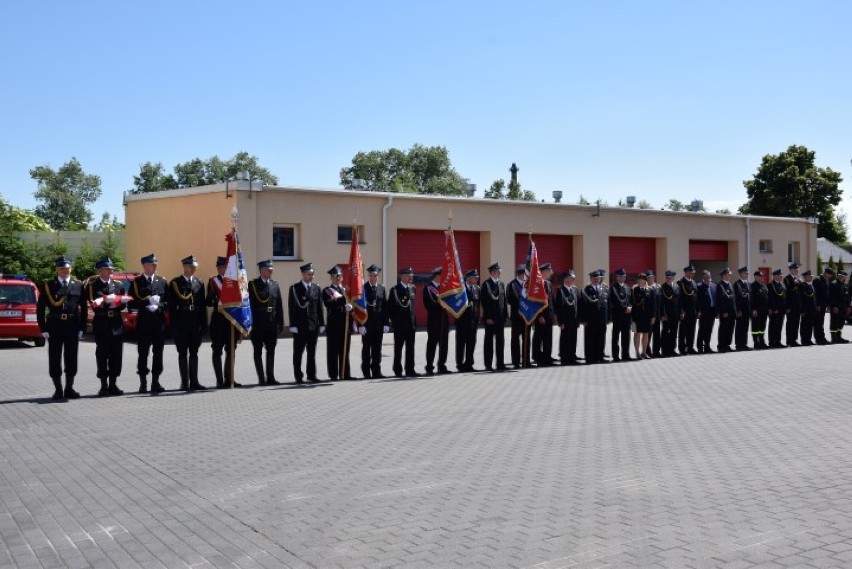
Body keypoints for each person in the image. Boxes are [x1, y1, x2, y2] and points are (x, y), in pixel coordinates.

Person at [37, 256, 86, 400]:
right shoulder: (48, 285)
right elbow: (40, 309)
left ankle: (69, 388)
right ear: (56, 269)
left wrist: (82, 327)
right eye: (61, 268)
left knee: (71, 357)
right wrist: (43, 328)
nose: (64, 271)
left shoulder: (78, 285)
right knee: (54, 357)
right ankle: (58, 389)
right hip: (55, 325)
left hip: (72, 325)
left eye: (67, 268)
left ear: (71, 268)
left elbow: (83, 307)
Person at [84, 258, 128, 396]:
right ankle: (103, 385)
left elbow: (122, 303)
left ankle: (113, 384)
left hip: (116, 323)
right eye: (107, 269)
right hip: (102, 323)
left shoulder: (118, 285)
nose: (110, 272)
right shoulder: (92, 286)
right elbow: (92, 303)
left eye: (111, 270)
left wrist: (120, 303)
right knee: (102, 355)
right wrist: (104, 302)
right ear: (100, 270)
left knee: (116, 355)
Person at [130, 253, 169, 395]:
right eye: (152, 265)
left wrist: (159, 306)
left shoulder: (162, 281)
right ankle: (143, 383)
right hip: (144, 322)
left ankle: (155, 382)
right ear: (145, 266)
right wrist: (145, 303)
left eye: (156, 265)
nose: (155, 267)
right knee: (143, 353)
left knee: (158, 353)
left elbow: (168, 302)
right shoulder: (136, 282)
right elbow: (131, 303)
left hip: (158, 322)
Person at [169, 255, 208, 391]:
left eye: (195, 267)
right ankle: (184, 382)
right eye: (191, 267)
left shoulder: (199, 282)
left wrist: (203, 325)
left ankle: (194, 381)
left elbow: (202, 306)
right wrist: (173, 326)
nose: (193, 269)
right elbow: (172, 307)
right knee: (182, 353)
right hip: (181, 322)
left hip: (195, 322)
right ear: (184, 267)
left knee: (194, 352)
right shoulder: (175, 283)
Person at [206, 256, 241, 389]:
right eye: (220, 268)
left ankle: (229, 378)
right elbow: (208, 302)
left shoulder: (234, 282)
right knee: (217, 350)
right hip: (218, 320)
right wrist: (212, 299)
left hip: (231, 321)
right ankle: (219, 380)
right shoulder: (212, 281)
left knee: (231, 350)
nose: (222, 270)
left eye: (224, 267)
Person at [288, 262, 323, 383]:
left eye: (312, 274)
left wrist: (322, 323)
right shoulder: (295, 288)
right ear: (303, 274)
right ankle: (298, 376)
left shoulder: (316, 288)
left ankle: (311, 375)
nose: (311, 277)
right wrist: (292, 325)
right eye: (309, 274)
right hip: (300, 326)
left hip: (313, 325)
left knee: (311, 352)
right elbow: (292, 308)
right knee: (298, 352)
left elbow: (319, 307)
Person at [250, 259, 284, 385]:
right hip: (258, 323)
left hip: (271, 322)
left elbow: (279, 304)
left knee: (271, 350)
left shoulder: (275, 284)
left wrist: (280, 322)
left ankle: (271, 377)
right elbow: (250, 306)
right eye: (268, 269)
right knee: (258, 350)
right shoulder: (253, 285)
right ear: (261, 270)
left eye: (271, 269)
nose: (270, 271)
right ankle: (261, 378)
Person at [322, 266, 353, 381]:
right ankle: (334, 375)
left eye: (339, 276)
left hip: (346, 325)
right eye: (335, 276)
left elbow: (353, 303)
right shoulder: (327, 290)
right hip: (334, 325)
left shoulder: (346, 290)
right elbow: (329, 304)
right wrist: (343, 306)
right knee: (333, 351)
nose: (337, 278)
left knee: (345, 350)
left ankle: (345, 374)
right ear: (331, 278)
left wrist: (351, 308)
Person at [359, 264, 389, 379]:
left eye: (374, 275)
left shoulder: (382, 289)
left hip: (379, 324)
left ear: (378, 276)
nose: (372, 278)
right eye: (370, 275)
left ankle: (376, 371)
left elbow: (385, 308)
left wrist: (386, 323)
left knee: (377, 349)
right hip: (367, 324)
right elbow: (359, 308)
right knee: (366, 349)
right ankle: (366, 372)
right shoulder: (363, 289)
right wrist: (361, 324)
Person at [388, 267, 417, 377]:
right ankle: (398, 370)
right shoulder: (395, 290)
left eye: (411, 276)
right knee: (398, 348)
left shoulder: (413, 288)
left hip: (411, 324)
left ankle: (410, 369)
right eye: (409, 276)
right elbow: (390, 308)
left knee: (410, 348)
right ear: (402, 276)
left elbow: (412, 307)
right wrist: (394, 321)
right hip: (400, 324)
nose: (411, 278)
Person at [480, 263, 508, 372]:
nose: (498, 273)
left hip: (500, 318)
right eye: (496, 271)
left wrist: (505, 315)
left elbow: (503, 301)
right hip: (490, 318)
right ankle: (488, 364)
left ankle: (500, 363)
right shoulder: (486, 284)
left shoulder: (501, 284)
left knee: (500, 342)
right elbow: (484, 302)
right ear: (492, 272)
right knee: (489, 342)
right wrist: (487, 317)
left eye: (499, 271)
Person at [423, 267, 450, 375]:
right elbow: (429, 304)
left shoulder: (443, 288)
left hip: (444, 320)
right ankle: (429, 366)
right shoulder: (428, 288)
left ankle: (442, 365)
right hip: (434, 321)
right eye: (441, 276)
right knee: (432, 344)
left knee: (444, 344)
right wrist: (440, 303)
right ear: (436, 276)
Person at [581, 269, 609, 364]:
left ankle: (600, 357)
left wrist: (608, 318)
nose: (596, 280)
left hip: (602, 319)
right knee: (590, 339)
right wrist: (584, 319)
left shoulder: (604, 289)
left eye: (598, 278)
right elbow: (583, 305)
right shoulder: (587, 290)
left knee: (601, 338)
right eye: (594, 278)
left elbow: (607, 304)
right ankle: (590, 358)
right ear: (591, 279)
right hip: (591, 319)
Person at [455, 268, 480, 372]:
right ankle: (460, 364)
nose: (476, 279)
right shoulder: (460, 288)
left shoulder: (477, 288)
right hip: (462, 320)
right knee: (461, 343)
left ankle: (469, 363)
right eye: (475, 278)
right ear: (469, 278)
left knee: (471, 343)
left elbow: (477, 304)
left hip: (473, 321)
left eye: (477, 277)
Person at [532, 263, 556, 366]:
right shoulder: (537, 284)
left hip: (549, 316)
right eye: (548, 271)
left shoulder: (548, 283)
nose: (550, 273)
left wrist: (554, 313)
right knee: (539, 338)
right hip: (540, 316)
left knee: (548, 338)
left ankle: (547, 357)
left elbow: (552, 300)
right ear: (542, 272)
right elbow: (535, 301)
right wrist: (540, 315)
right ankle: (538, 358)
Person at [554, 270, 580, 365]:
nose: (571, 280)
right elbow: (559, 308)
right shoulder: (560, 291)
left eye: (572, 279)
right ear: (565, 279)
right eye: (569, 278)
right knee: (565, 340)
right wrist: (561, 322)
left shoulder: (574, 290)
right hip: (565, 321)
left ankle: (572, 358)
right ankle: (564, 359)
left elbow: (577, 306)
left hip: (573, 320)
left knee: (573, 340)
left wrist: (578, 320)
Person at [506, 265, 529, 368]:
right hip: (516, 316)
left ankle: (526, 361)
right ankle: (516, 362)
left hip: (527, 316)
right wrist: (521, 301)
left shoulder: (528, 285)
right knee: (515, 340)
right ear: (520, 274)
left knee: (527, 339)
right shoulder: (512, 285)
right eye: (524, 274)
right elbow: (509, 299)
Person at [609, 268, 632, 361]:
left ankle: (625, 355)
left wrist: (630, 307)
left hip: (627, 316)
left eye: (624, 276)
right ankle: (616, 356)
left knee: (626, 336)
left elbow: (630, 300)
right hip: (618, 315)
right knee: (616, 337)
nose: (622, 278)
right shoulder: (613, 288)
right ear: (617, 277)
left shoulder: (627, 287)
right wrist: (624, 308)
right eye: (620, 276)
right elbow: (616, 301)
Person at [631, 273, 655, 360]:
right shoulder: (634, 290)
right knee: (637, 333)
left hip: (647, 316)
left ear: (645, 280)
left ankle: (644, 352)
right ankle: (637, 353)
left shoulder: (650, 290)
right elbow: (632, 304)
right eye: (639, 279)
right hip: (637, 316)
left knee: (646, 334)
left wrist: (653, 316)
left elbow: (653, 304)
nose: (639, 281)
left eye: (641, 279)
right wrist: (632, 318)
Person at [677, 265, 699, 355]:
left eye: (693, 272)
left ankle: (690, 347)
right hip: (685, 311)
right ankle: (682, 348)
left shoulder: (693, 282)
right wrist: (681, 311)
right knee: (683, 330)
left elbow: (696, 297)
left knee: (692, 329)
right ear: (686, 273)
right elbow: (679, 299)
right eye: (690, 272)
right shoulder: (680, 283)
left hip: (693, 310)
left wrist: (698, 310)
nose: (692, 274)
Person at [659, 270, 680, 357]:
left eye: (670, 278)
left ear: (673, 278)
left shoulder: (676, 287)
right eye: (667, 277)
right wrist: (663, 314)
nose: (668, 279)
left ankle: (672, 349)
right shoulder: (662, 287)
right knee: (665, 332)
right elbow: (661, 303)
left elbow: (679, 301)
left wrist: (681, 312)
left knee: (674, 332)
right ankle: (664, 350)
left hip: (675, 314)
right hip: (666, 315)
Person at [715, 268, 736, 352]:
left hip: (732, 312)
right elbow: (720, 300)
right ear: (724, 275)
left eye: (730, 274)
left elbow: (734, 299)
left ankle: (727, 345)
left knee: (730, 329)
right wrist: (723, 311)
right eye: (728, 274)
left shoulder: (730, 284)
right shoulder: (720, 285)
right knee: (723, 329)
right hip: (725, 312)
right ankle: (721, 345)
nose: (730, 276)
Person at [696, 270, 717, 354]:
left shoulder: (714, 286)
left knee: (709, 330)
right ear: (703, 277)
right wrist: (698, 311)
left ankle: (707, 346)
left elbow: (716, 299)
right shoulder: (699, 286)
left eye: (709, 276)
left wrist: (717, 311)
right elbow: (697, 301)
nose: (708, 278)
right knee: (702, 330)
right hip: (703, 312)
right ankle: (700, 347)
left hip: (712, 311)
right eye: (706, 276)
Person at [812, 267, 833, 345]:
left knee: (821, 322)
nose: (830, 276)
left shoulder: (826, 281)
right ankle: (818, 339)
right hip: (818, 305)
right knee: (817, 322)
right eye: (830, 274)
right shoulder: (817, 280)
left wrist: (828, 305)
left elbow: (827, 294)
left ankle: (822, 337)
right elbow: (815, 294)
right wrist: (817, 304)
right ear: (826, 273)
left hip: (823, 305)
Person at [733, 267, 752, 351]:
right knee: (739, 328)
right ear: (741, 274)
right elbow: (736, 299)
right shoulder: (737, 284)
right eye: (745, 273)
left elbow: (750, 297)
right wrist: (738, 310)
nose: (747, 274)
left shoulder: (748, 284)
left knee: (745, 328)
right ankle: (738, 345)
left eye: (747, 273)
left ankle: (744, 344)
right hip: (741, 310)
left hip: (747, 310)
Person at [767, 269, 787, 348]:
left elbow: (785, 297)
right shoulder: (770, 285)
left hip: (782, 309)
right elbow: (770, 298)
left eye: (781, 275)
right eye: (780, 275)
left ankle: (778, 341)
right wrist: (773, 308)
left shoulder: (783, 284)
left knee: (779, 326)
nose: (781, 277)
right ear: (775, 276)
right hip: (775, 310)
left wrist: (785, 307)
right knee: (773, 326)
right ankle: (772, 342)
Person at [750, 270, 769, 349]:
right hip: (756, 311)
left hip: (764, 311)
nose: (761, 277)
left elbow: (767, 298)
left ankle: (762, 341)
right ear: (755, 277)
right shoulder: (752, 286)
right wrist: (753, 309)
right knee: (755, 327)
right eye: (760, 276)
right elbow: (751, 299)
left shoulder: (764, 286)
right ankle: (756, 342)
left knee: (762, 327)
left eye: (762, 276)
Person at [784, 262, 802, 347]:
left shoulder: (798, 279)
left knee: (796, 323)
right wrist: (787, 307)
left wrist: (799, 282)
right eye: (795, 269)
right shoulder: (787, 279)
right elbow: (787, 293)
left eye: (797, 269)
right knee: (790, 323)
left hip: (797, 305)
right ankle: (789, 340)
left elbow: (801, 291)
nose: (797, 270)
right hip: (790, 306)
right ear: (791, 270)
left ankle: (794, 340)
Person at [799, 270, 818, 346]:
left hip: (812, 309)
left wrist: (815, 307)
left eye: (811, 276)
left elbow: (814, 298)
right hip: (805, 310)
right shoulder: (802, 286)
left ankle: (809, 339)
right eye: (809, 276)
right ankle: (804, 340)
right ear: (805, 277)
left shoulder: (811, 285)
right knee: (804, 325)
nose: (811, 277)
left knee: (810, 325)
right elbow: (800, 299)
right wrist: (802, 310)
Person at [829, 270, 849, 344]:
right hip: (836, 307)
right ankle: (834, 338)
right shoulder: (833, 284)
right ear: (838, 276)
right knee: (834, 322)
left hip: (843, 307)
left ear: (845, 277)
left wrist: (848, 306)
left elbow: (847, 297)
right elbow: (831, 296)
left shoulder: (845, 285)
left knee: (841, 322)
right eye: (840, 276)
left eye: (843, 276)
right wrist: (834, 306)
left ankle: (839, 337)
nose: (842, 277)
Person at [645, 270, 662, 358]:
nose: (649, 279)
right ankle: (647, 351)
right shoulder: (645, 288)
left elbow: (661, 303)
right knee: (648, 334)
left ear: (654, 277)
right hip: (649, 316)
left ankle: (657, 351)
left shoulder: (658, 287)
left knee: (657, 334)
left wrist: (662, 314)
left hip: (658, 315)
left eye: (651, 277)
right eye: (648, 277)